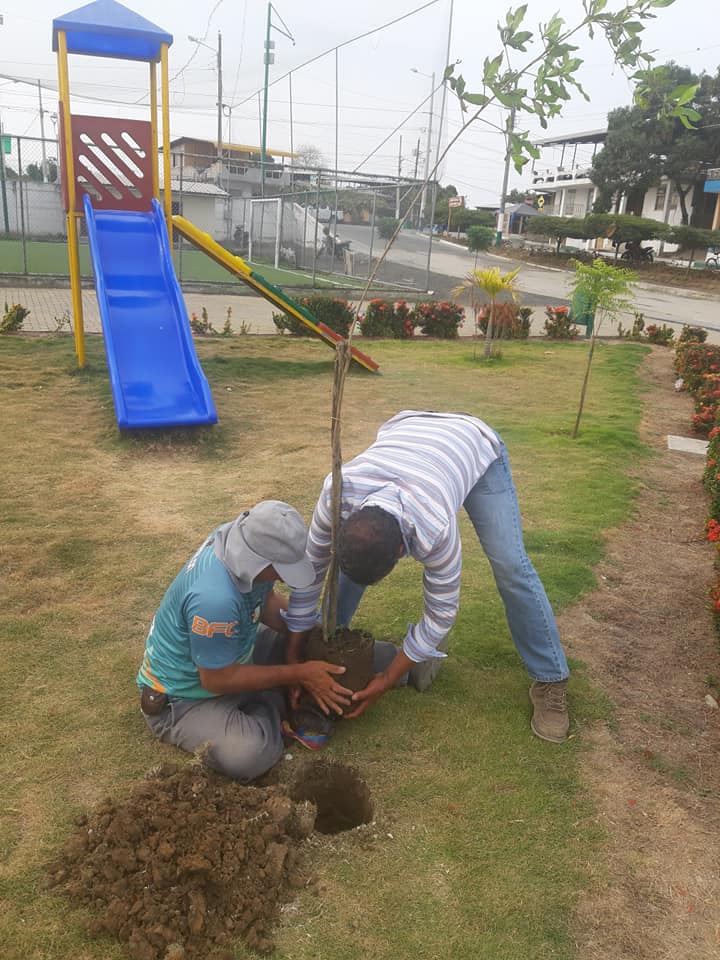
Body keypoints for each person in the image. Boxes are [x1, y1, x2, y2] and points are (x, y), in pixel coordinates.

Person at [285, 411, 570, 743]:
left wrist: (387, 679)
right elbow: (310, 574)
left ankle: (550, 679)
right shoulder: (336, 494)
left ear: (401, 552)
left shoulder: (435, 528)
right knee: (352, 568)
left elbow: (441, 613)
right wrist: (294, 658)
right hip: (410, 429)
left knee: (511, 567)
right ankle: (326, 650)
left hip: (472, 445)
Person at [137, 500, 389, 781]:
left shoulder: (238, 539)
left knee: (332, 649)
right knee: (249, 754)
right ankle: (278, 707)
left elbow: (265, 599)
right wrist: (298, 673)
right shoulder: (214, 600)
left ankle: (407, 667)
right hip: (187, 696)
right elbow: (217, 680)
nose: (283, 577)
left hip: (237, 644)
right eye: (281, 569)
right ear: (256, 561)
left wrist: (310, 637)